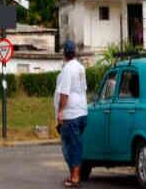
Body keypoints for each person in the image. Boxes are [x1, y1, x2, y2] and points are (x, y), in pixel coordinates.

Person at [54, 40, 88, 188]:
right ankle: (75, 175)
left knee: (70, 146)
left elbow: (64, 93)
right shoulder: (81, 68)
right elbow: (83, 88)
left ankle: (75, 177)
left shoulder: (68, 69)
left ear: (64, 53)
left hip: (71, 114)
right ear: (74, 52)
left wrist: (60, 111)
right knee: (75, 144)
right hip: (82, 112)